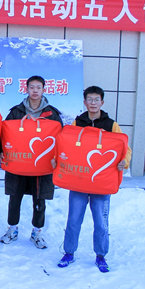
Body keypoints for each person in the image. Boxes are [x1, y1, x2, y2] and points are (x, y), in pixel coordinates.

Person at [56, 86, 131, 273]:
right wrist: (58, 160)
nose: (93, 103)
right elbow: (65, 145)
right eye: (89, 99)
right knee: (73, 219)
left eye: (96, 99)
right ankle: (69, 252)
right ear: (84, 102)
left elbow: (125, 148)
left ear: (102, 102)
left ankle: (101, 255)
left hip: (101, 182)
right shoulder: (77, 122)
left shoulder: (111, 124)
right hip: (79, 179)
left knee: (101, 222)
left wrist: (124, 161)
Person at [0, 75, 63, 249]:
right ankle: (12, 230)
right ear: (26, 89)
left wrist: (58, 159)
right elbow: (3, 135)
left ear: (44, 90)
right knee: (15, 198)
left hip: (41, 165)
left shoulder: (52, 114)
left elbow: (61, 139)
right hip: (18, 163)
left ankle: (37, 232)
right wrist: (1, 151)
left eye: (38, 87)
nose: (35, 91)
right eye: (32, 87)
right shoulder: (16, 112)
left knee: (39, 200)